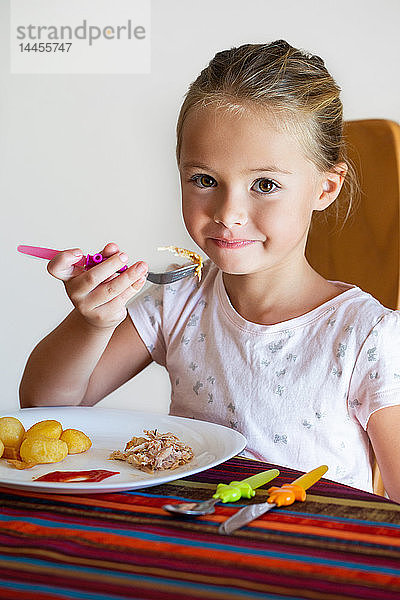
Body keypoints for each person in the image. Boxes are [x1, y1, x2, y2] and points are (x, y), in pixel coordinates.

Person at [20, 40, 400, 499]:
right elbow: (47, 408)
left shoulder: (368, 336)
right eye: (204, 180)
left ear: (325, 188)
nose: (228, 212)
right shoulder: (178, 302)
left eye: (264, 184)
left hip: (306, 557)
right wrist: (91, 322)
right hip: (190, 549)